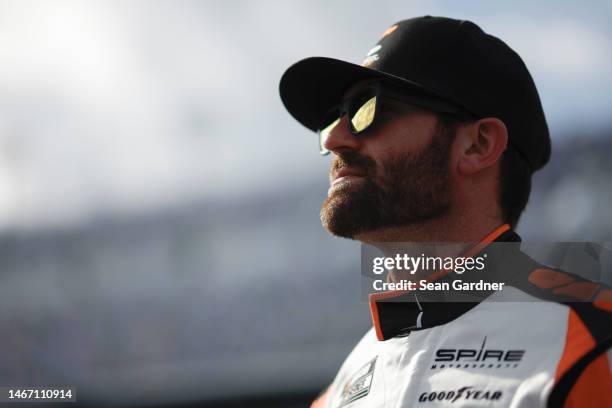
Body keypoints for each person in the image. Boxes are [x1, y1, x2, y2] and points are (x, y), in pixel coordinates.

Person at [279, 16, 612, 408]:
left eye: (369, 108)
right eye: (335, 118)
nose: (336, 138)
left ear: (478, 145)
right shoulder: (339, 391)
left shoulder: (591, 346)